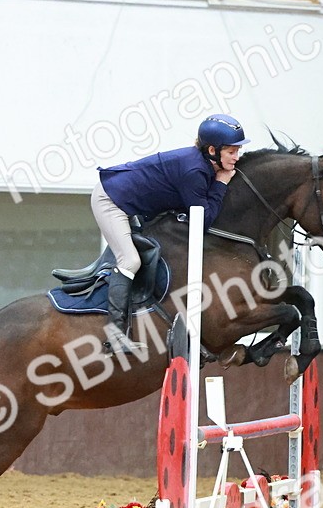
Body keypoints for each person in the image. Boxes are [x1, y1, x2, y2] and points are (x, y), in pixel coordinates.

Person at [92, 113, 250, 353]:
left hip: (134, 205)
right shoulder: (195, 171)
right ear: (211, 151)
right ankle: (114, 336)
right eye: (231, 152)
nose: (236, 157)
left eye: (237, 151)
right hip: (111, 201)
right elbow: (203, 220)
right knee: (131, 260)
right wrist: (221, 184)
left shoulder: (201, 165)